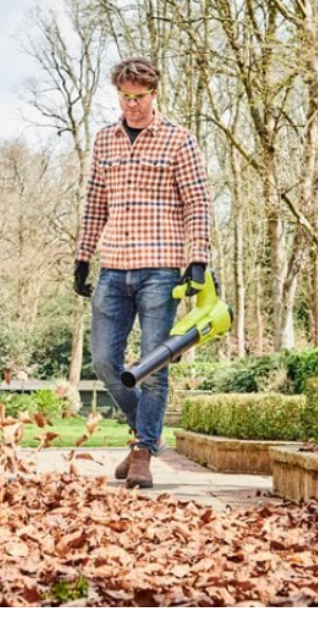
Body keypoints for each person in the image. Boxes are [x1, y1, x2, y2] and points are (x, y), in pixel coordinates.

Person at [74, 56, 212, 489]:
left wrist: (197, 259)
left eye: (139, 97)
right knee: (104, 362)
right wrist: (83, 256)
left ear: (154, 93)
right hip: (113, 267)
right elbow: (95, 202)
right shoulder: (105, 140)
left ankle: (142, 453)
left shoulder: (178, 140)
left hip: (160, 269)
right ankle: (147, 434)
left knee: (153, 364)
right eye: (124, 96)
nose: (131, 104)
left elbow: (197, 203)